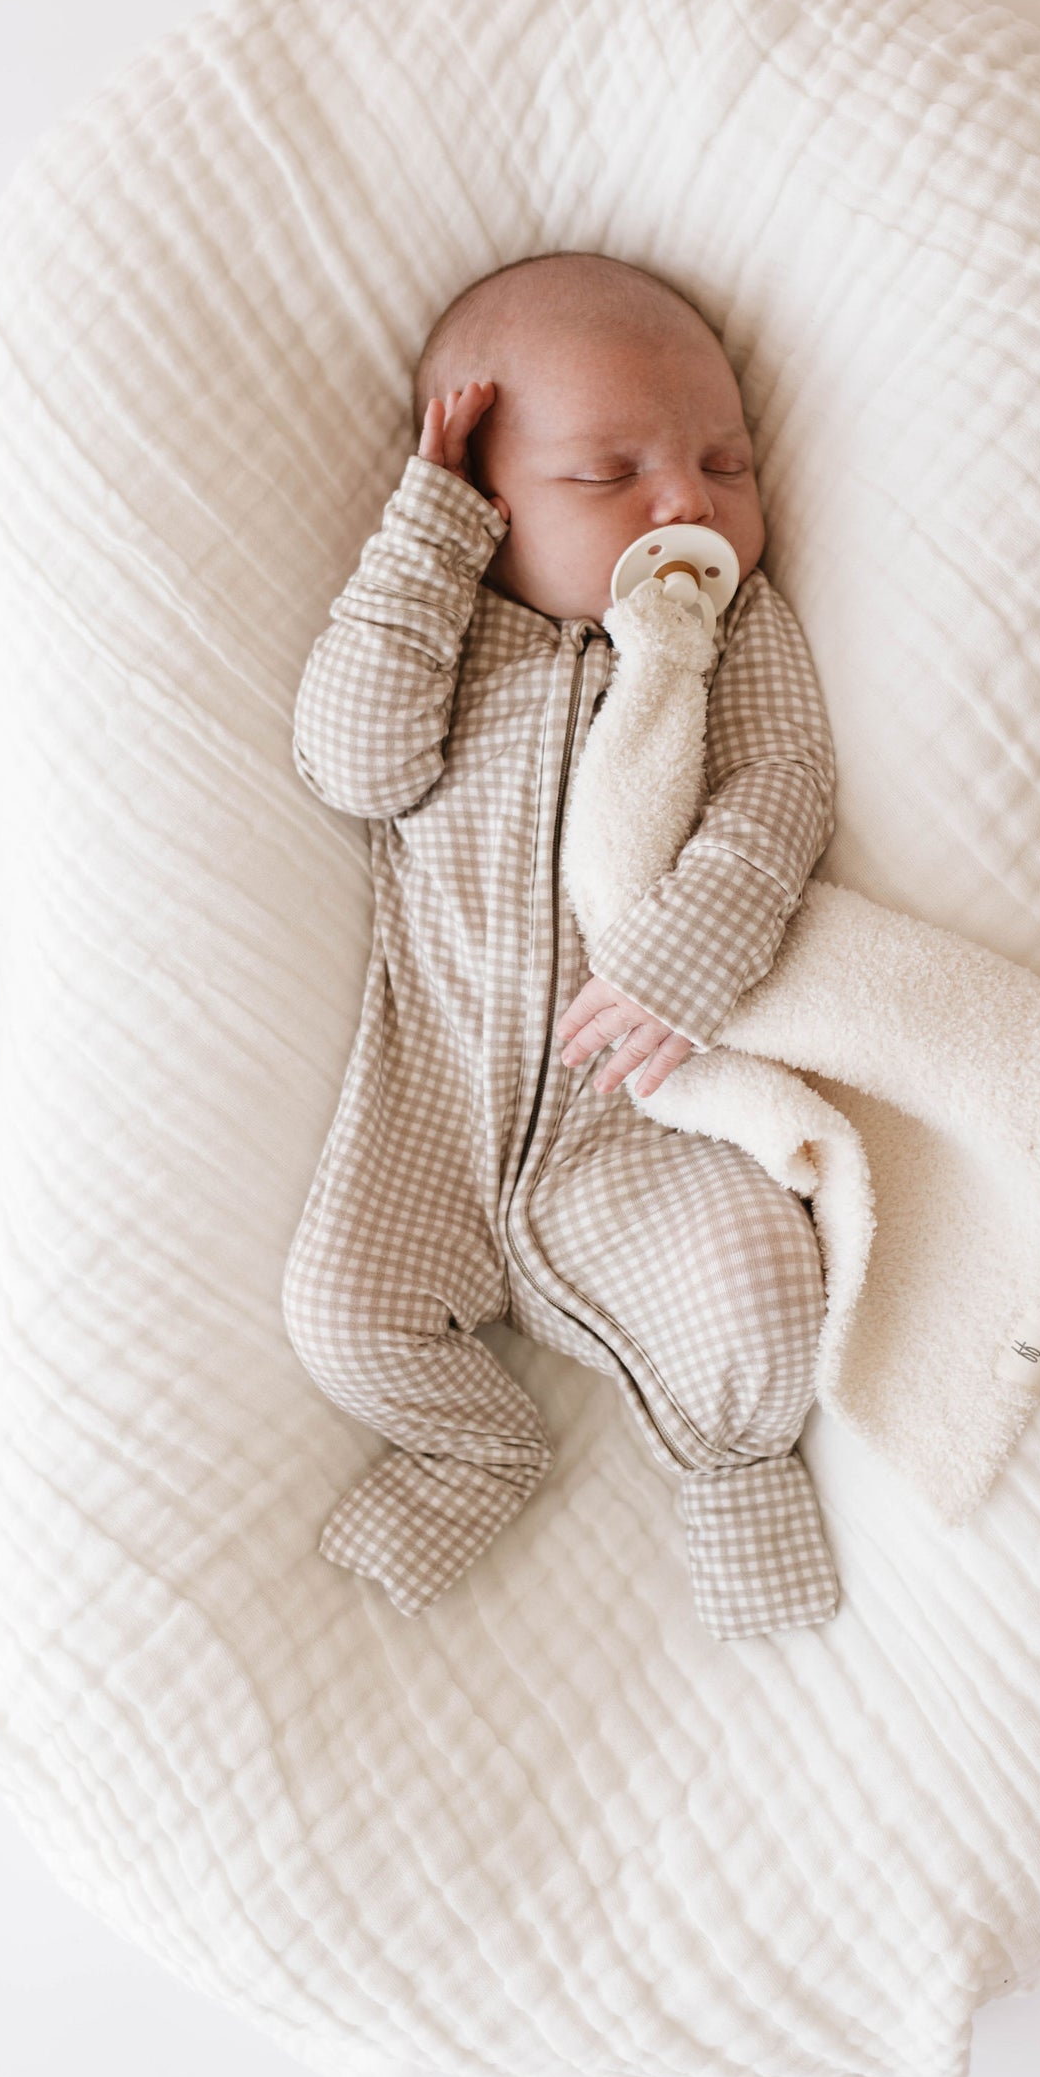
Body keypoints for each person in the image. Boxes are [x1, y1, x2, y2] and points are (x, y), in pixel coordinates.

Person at [281, 252, 841, 1638]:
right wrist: (424, 546)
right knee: (343, 1310)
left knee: (761, 1291)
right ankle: (473, 1442)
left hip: (633, 1118)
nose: (686, 507)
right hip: (436, 1105)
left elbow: (782, 789)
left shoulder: (733, 635)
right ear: (485, 502)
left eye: (727, 464)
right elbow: (351, 765)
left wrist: (681, 952)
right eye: (609, 477)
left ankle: (738, 1482)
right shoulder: (448, 628)